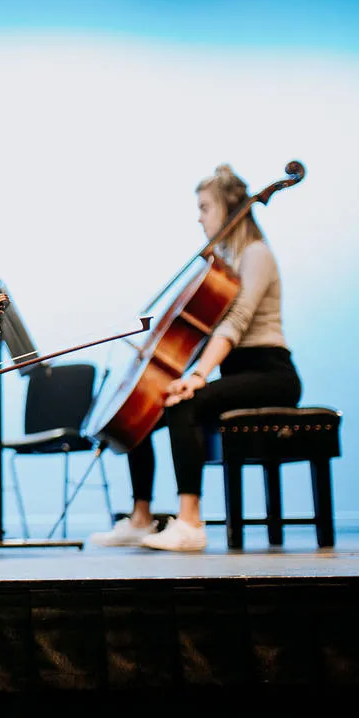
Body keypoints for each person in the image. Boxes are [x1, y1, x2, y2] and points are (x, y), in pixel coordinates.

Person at [90, 164, 303, 553]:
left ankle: (190, 522)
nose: (200, 216)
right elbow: (200, 330)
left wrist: (199, 376)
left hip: (271, 373)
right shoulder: (221, 260)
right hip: (236, 371)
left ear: (229, 207)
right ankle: (141, 518)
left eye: (206, 207)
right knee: (149, 405)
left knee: (182, 403)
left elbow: (235, 323)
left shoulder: (256, 254)